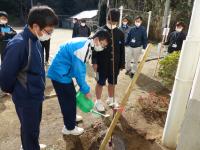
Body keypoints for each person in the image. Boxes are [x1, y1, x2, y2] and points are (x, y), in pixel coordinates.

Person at [0, 6, 58, 150]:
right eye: (48, 31)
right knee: (30, 129)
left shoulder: (36, 39)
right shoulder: (19, 44)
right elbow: (6, 74)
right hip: (26, 97)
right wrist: (9, 89)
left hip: (35, 94)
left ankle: (30, 144)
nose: (49, 35)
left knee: (31, 127)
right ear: (36, 26)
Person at [47, 30, 110, 135]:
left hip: (63, 71)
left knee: (72, 96)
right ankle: (69, 128)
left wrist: (80, 86)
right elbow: (79, 71)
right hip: (60, 74)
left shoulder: (87, 44)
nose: (102, 47)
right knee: (67, 101)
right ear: (97, 40)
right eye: (103, 45)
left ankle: (72, 117)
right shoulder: (83, 48)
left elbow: (79, 68)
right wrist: (86, 90)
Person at [92, 9, 125, 112]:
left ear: (117, 21)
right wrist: (94, 62)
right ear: (107, 19)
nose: (112, 24)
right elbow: (94, 48)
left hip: (114, 64)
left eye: (114, 22)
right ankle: (97, 101)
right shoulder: (100, 31)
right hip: (102, 64)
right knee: (100, 83)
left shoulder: (120, 33)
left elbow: (122, 49)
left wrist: (121, 64)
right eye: (111, 21)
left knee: (112, 82)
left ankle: (111, 99)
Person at [0, 11, 16, 98]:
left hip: (10, 47)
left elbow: (15, 33)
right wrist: (6, 34)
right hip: (2, 48)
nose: (3, 19)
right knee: (4, 66)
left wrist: (5, 33)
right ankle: (4, 87)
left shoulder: (8, 26)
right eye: (2, 18)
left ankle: (8, 86)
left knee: (10, 65)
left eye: (5, 18)